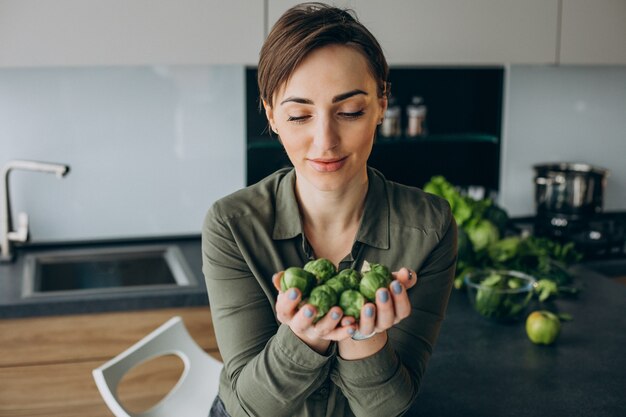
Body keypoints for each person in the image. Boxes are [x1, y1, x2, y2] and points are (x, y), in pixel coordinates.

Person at [202, 3, 457, 417]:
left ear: (380, 105)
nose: (325, 142)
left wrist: (364, 336)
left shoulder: (429, 226)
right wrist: (303, 338)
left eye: (351, 111)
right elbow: (247, 407)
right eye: (300, 115)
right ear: (272, 115)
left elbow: (389, 407)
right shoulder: (232, 225)